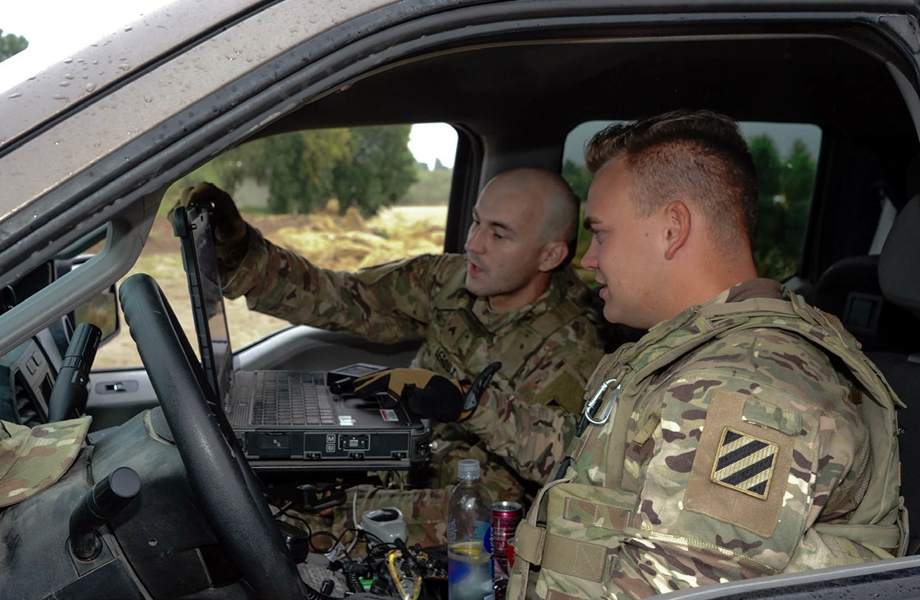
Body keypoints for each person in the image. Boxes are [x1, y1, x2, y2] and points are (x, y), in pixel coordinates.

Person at [459, 111, 904, 599]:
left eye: (601, 232)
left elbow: (680, 587)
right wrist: (473, 406)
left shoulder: (749, 387)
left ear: (673, 228)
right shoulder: (693, 350)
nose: (587, 259)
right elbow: (599, 461)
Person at [177, 168, 606, 546]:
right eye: (475, 221)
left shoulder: (570, 350)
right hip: (404, 455)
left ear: (550, 255)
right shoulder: (453, 279)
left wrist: (351, 512)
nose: (473, 243)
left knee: (300, 524)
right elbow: (346, 298)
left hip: (470, 504)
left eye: (498, 233)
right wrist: (240, 250)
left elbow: (531, 487)